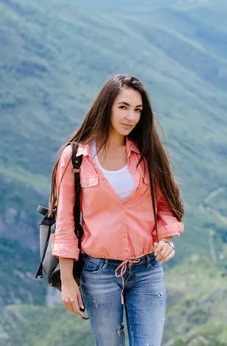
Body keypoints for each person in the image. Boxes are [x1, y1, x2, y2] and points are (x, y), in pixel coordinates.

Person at [49, 74, 185, 345]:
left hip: (147, 268)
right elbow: (64, 222)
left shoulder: (147, 153)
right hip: (99, 273)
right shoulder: (75, 157)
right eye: (123, 107)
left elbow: (164, 205)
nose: (131, 117)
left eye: (137, 110)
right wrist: (67, 281)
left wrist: (166, 239)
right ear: (106, 106)